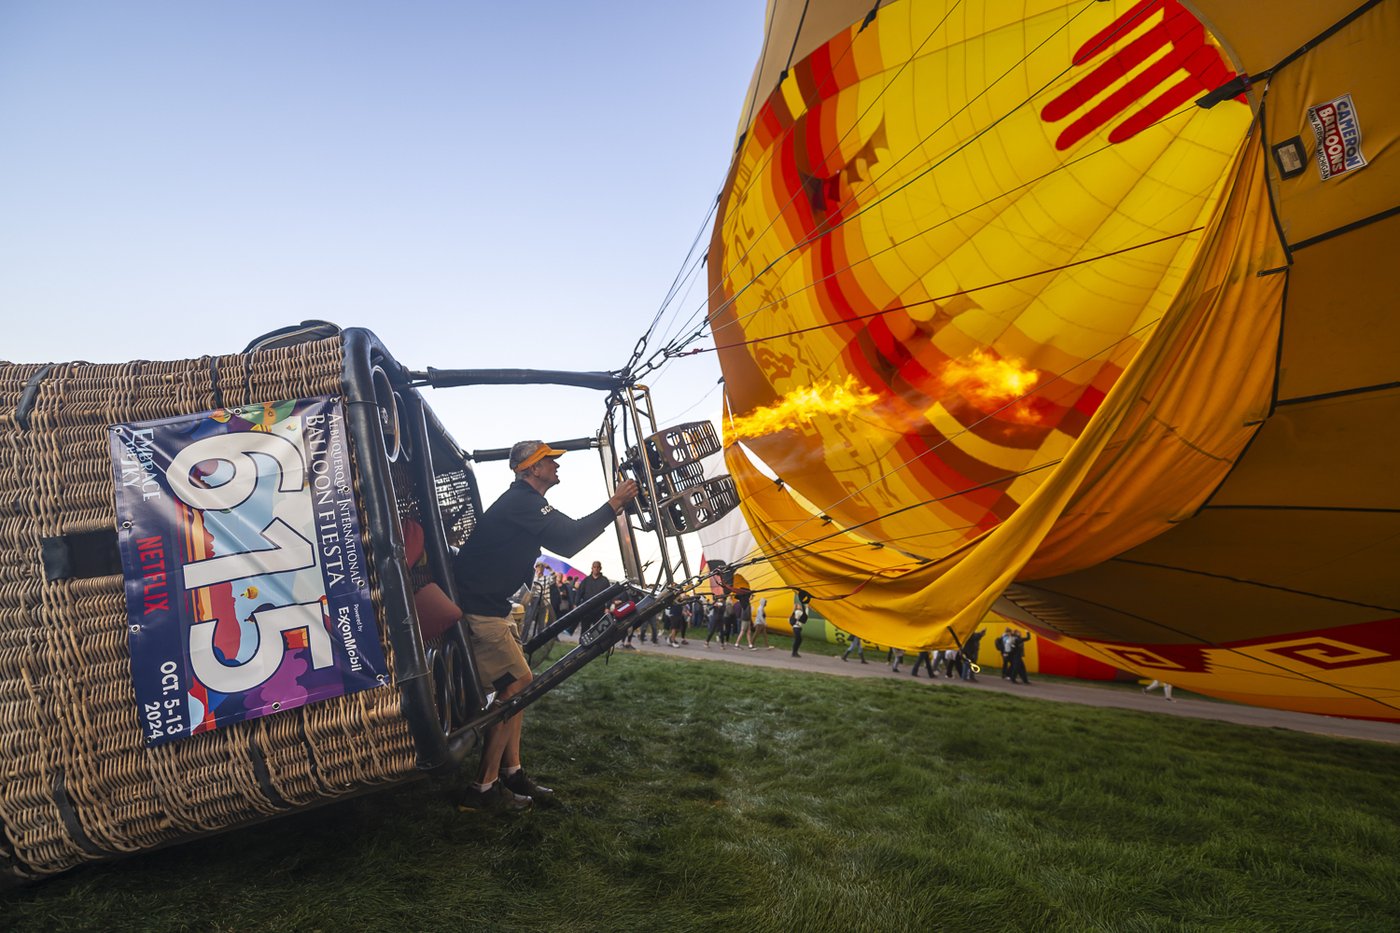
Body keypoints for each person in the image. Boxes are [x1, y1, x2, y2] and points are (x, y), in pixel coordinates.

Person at [452, 440, 639, 811]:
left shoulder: (526, 502)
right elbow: (569, 540)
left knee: (520, 688)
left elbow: (566, 536)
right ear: (530, 468)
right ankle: (482, 790)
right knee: (519, 685)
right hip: (480, 610)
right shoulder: (522, 501)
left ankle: (512, 772)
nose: (556, 466)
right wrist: (615, 503)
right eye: (548, 461)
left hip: (492, 607)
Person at [789, 589, 811, 657]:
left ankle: (795, 652)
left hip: (797, 628)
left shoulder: (796, 612)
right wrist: (807, 608)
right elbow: (805, 616)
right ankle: (794, 652)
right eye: (799, 605)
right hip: (796, 628)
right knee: (798, 640)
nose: (800, 606)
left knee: (798, 640)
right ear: (797, 607)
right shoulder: (798, 612)